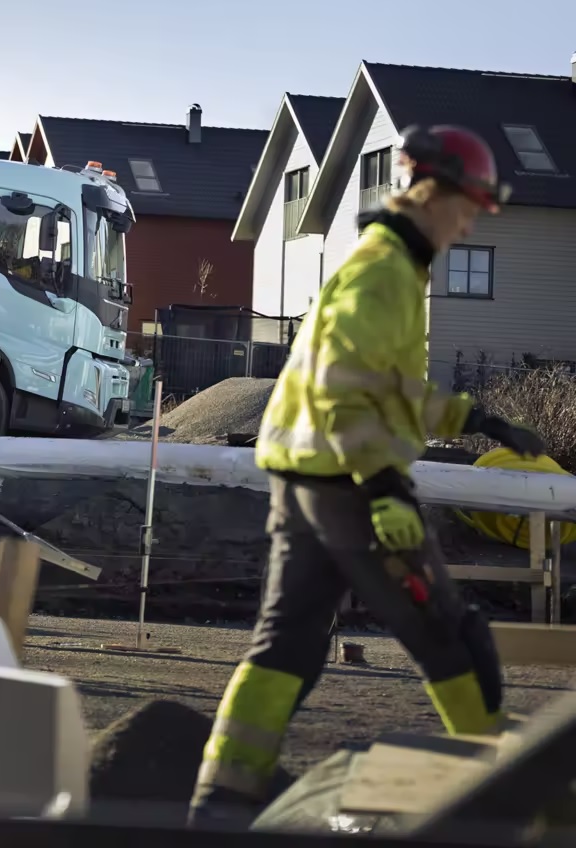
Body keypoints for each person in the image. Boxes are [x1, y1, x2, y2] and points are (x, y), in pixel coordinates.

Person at [188, 125, 546, 828]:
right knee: (448, 629)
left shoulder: (388, 266)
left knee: (287, 637)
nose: (471, 221)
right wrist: (382, 487)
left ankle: (221, 800)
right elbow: (344, 391)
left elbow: (383, 388)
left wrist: (480, 419)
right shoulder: (385, 272)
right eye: (468, 204)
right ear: (433, 193)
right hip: (349, 482)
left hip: (306, 481)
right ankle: (504, 795)